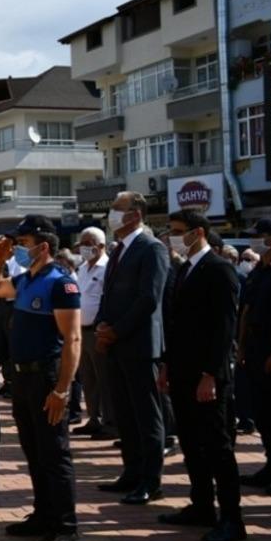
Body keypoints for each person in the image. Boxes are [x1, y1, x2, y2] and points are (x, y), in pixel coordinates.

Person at [0, 216, 82, 541]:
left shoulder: (61, 283)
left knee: (55, 453)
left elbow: (72, 339)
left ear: (43, 246)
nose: (19, 249)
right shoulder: (26, 279)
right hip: (23, 377)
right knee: (34, 450)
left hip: (47, 377)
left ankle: (65, 526)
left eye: (23, 243)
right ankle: (43, 515)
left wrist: (62, 390)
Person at [157, 210, 245, 541]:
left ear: (198, 232)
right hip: (181, 371)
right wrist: (166, 365)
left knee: (217, 446)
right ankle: (202, 505)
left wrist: (210, 374)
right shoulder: (184, 270)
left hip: (207, 375)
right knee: (192, 443)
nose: (174, 236)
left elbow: (224, 330)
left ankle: (232, 518)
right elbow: (177, 325)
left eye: (178, 231)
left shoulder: (219, 270)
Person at [95, 192, 170, 505]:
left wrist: (117, 330)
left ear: (135, 215)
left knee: (145, 415)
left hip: (139, 345)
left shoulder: (151, 248)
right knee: (124, 413)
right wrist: (101, 324)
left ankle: (150, 481)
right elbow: (109, 294)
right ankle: (131, 470)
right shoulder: (118, 250)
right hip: (115, 344)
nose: (111, 214)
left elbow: (148, 299)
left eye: (117, 209)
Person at [236, 218, 271, 495]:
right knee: (262, 413)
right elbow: (246, 311)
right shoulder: (259, 270)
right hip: (255, 348)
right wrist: (243, 346)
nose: (254, 241)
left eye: (259, 236)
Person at [73, 227, 116, 441]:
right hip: (81, 331)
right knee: (88, 379)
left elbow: (108, 301)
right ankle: (93, 418)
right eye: (82, 243)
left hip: (97, 331)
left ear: (101, 246)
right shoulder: (82, 269)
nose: (84, 247)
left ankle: (111, 422)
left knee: (105, 378)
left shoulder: (108, 268)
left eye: (88, 243)